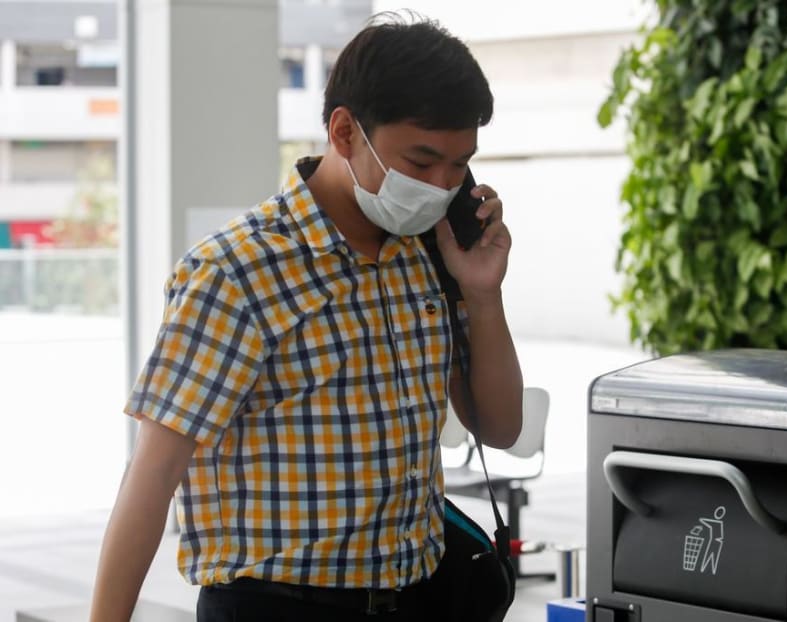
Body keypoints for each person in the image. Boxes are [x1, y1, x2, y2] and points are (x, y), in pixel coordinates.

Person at [90, 11, 523, 622]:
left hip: (421, 597)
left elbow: (499, 426)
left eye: (459, 166)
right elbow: (153, 473)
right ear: (344, 131)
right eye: (421, 163)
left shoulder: (426, 252)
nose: (441, 186)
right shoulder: (236, 271)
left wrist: (482, 294)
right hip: (279, 605)